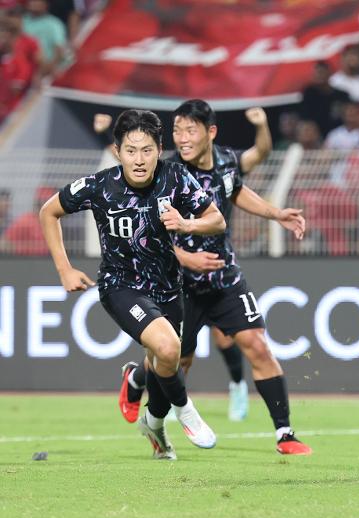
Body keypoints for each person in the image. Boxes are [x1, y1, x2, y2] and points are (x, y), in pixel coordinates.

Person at [119, 100, 312, 455]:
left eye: (189, 130)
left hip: (224, 278)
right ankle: (136, 379)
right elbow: (145, 232)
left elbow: (235, 191)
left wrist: (276, 214)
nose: (182, 138)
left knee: (256, 344)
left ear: (210, 133)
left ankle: (285, 433)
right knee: (176, 362)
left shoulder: (225, 161)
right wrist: (186, 257)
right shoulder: (167, 172)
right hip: (178, 284)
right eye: (177, 130)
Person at [40, 109, 224, 460]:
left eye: (147, 150)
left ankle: (152, 423)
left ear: (159, 149)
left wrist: (188, 225)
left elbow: (215, 219)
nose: (138, 160)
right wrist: (64, 269)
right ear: (117, 151)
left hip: (169, 289)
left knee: (164, 360)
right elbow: (48, 211)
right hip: (120, 286)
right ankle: (186, 412)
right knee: (169, 350)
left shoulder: (177, 178)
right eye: (130, 150)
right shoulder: (99, 186)